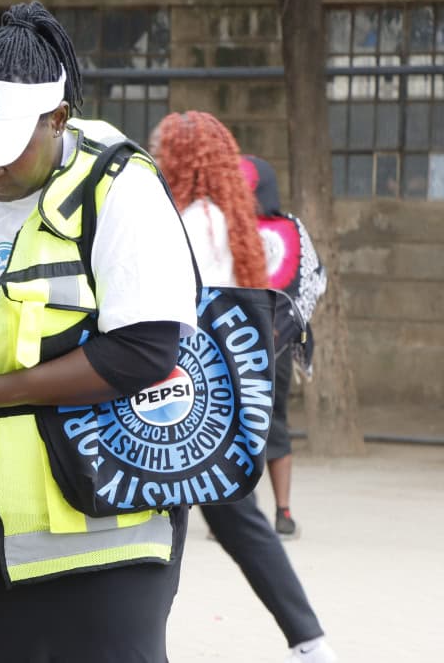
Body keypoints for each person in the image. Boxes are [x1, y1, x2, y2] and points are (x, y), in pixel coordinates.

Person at [0, 2, 198, 661]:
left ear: (58, 119)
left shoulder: (117, 188)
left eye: (5, 149)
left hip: (106, 538)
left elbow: (146, 349)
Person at [150, 111, 337, 663]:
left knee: (172, 520)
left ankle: (309, 640)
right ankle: (310, 641)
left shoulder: (189, 221)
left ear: (185, 160)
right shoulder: (235, 224)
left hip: (184, 398)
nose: (156, 156)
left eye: (164, 149)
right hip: (228, 397)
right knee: (233, 523)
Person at [239, 154, 327, 538]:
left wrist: (277, 333)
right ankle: (236, 509)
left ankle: (283, 511)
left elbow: (306, 281)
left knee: (273, 425)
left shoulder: (287, 228)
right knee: (232, 428)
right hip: (229, 345)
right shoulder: (224, 229)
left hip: (274, 345)